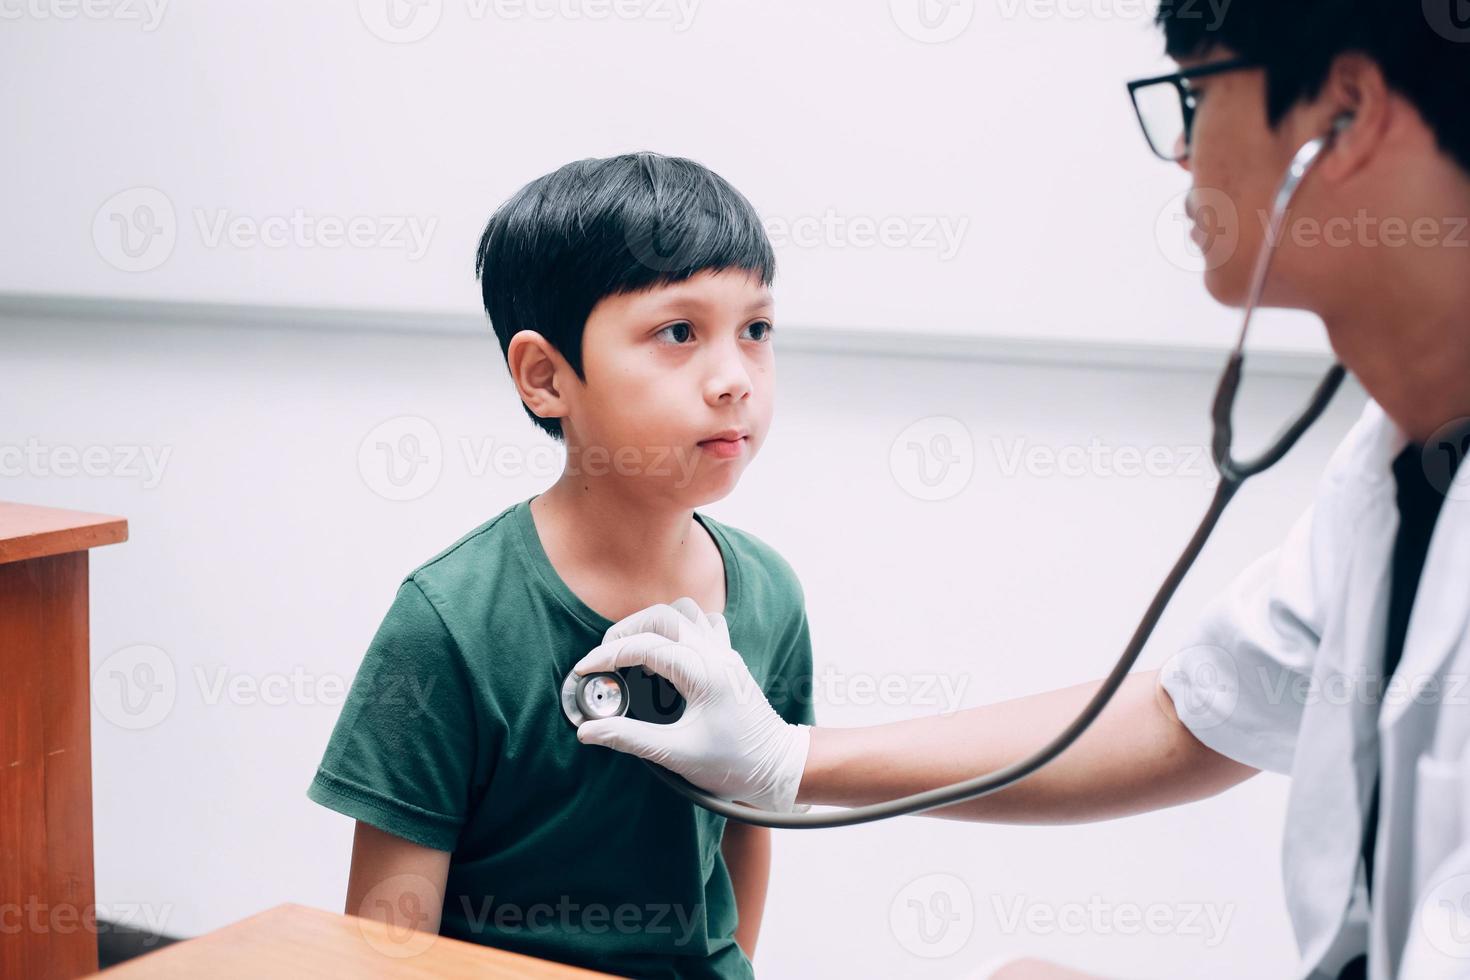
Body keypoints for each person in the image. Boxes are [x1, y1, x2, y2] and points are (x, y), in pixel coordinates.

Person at [570, 3, 1470, 977]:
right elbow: (1196, 710)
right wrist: (787, 758)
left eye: (1198, 96)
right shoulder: (1391, 470)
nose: (1181, 152)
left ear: (1343, 112)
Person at [306, 152, 816, 979]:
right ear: (545, 377)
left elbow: (749, 833)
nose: (734, 380)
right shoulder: (451, 620)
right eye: (678, 332)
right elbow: (386, 942)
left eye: (755, 329)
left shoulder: (770, 597)